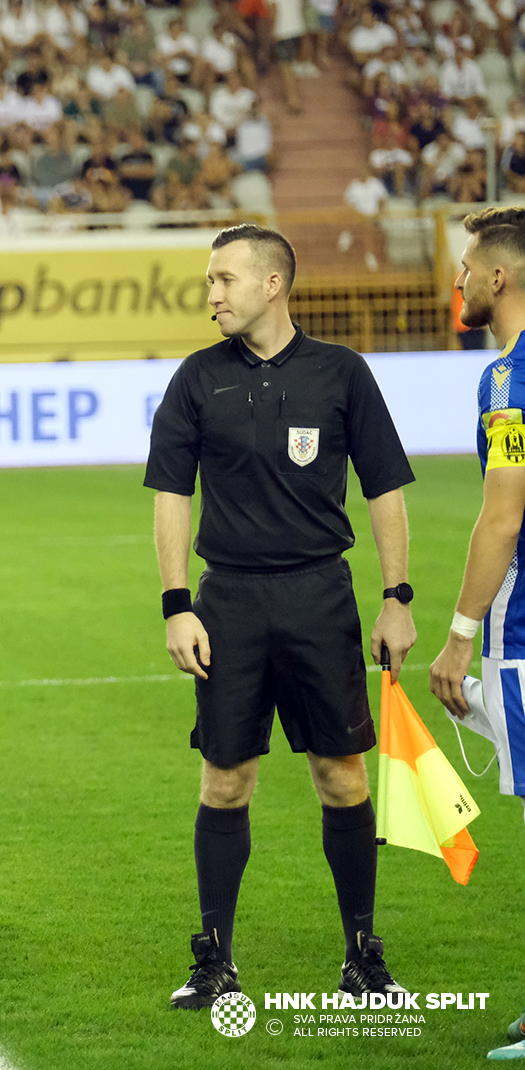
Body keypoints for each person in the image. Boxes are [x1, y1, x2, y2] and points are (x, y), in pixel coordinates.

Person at [146, 223, 416, 1010]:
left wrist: (396, 598)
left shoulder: (342, 373)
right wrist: (177, 605)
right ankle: (214, 959)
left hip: (318, 597)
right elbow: (171, 496)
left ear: (273, 284)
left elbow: (385, 492)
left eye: (224, 280)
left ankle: (362, 954)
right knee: (225, 780)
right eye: (209, 281)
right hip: (226, 600)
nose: (212, 295)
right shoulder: (197, 379)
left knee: (341, 775)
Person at [427, 206, 525, 1061]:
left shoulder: (509, 379)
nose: (456, 280)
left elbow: (502, 516)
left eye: (465, 266)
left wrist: (461, 634)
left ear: (499, 277)